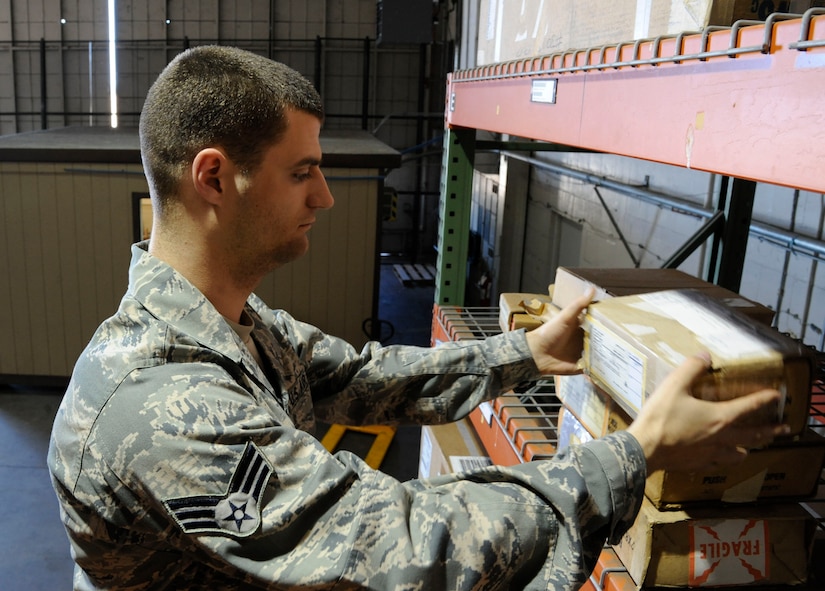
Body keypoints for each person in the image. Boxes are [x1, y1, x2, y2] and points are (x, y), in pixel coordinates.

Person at [48, 45, 788, 591]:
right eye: (301, 171)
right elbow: (413, 547)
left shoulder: (230, 324)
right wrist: (638, 450)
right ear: (214, 177)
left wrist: (528, 350)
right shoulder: (161, 409)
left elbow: (362, 375)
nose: (325, 196)